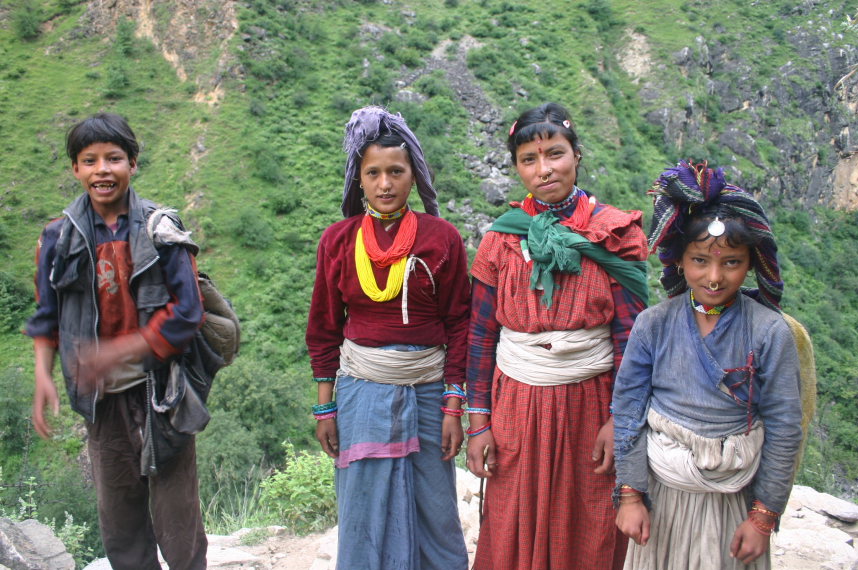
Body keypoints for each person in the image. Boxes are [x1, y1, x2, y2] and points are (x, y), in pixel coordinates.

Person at [465, 102, 650, 570]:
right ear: (517, 168)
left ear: (577, 155)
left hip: (590, 408)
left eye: (555, 153)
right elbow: (482, 337)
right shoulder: (501, 240)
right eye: (529, 159)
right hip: (515, 408)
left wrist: (620, 422)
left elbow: (632, 340)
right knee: (512, 518)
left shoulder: (611, 234)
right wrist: (479, 424)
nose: (544, 169)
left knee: (587, 520)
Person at [25, 113, 207, 569]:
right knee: (120, 518)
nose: (102, 170)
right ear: (75, 169)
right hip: (101, 400)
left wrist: (118, 351)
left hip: (161, 392)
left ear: (133, 164)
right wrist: (43, 377)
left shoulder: (159, 229)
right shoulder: (57, 237)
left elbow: (188, 314)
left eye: (114, 158)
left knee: (177, 517)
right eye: (90, 160)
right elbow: (48, 314)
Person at [612, 160, 804, 569]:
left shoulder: (770, 332)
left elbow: (786, 427)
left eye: (731, 262)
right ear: (680, 260)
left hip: (734, 504)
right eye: (701, 260)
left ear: (751, 262)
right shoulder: (654, 325)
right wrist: (630, 495)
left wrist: (763, 516)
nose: (715, 277)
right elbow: (628, 412)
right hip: (662, 498)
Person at [306, 106, 470, 569]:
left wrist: (453, 407)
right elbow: (323, 328)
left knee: (434, 503)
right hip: (361, 389)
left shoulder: (443, 239)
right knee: (363, 500)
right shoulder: (337, 241)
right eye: (373, 172)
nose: (385, 184)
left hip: (429, 389)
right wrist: (325, 408)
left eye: (396, 171)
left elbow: (459, 324)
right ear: (357, 178)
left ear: (413, 176)